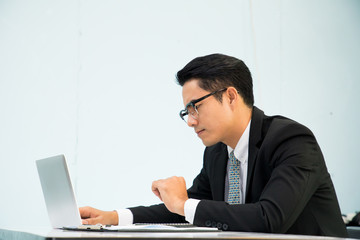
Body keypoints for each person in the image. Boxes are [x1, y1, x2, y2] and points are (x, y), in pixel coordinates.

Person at [80, 53, 347, 237]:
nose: (190, 121)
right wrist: (113, 217)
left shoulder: (292, 140)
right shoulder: (217, 153)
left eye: (195, 107)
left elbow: (269, 219)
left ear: (230, 96)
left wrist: (183, 204)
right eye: (187, 112)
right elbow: (185, 210)